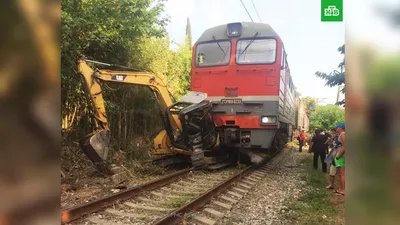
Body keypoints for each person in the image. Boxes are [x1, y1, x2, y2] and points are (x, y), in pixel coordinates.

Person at [334, 123, 345, 196]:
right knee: (339, 174)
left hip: (341, 156)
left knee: (342, 174)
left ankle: (342, 190)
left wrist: (338, 156)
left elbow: (345, 146)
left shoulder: (342, 134)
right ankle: (340, 188)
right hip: (340, 156)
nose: (335, 129)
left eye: (336, 127)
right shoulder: (341, 134)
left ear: (340, 128)